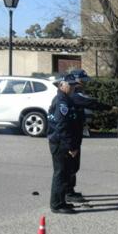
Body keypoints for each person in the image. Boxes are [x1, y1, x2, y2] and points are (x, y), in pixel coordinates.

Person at [65, 69, 113, 203]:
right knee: (70, 166)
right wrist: (109, 108)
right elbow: (91, 103)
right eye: (83, 80)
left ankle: (70, 190)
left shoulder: (76, 93)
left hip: (76, 134)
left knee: (73, 166)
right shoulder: (73, 95)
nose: (85, 83)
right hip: (71, 136)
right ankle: (67, 192)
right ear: (76, 80)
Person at [47, 75, 81, 214]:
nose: (73, 87)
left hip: (61, 142)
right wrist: (71, 147)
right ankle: (56, 204)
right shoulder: (62, 102)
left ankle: (62, 201)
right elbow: (62, 127)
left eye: (74, 85)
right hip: (60, 143)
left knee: (65, 173)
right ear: (62, 85)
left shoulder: (65, 99)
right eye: (70, 85)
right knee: (60, 173)